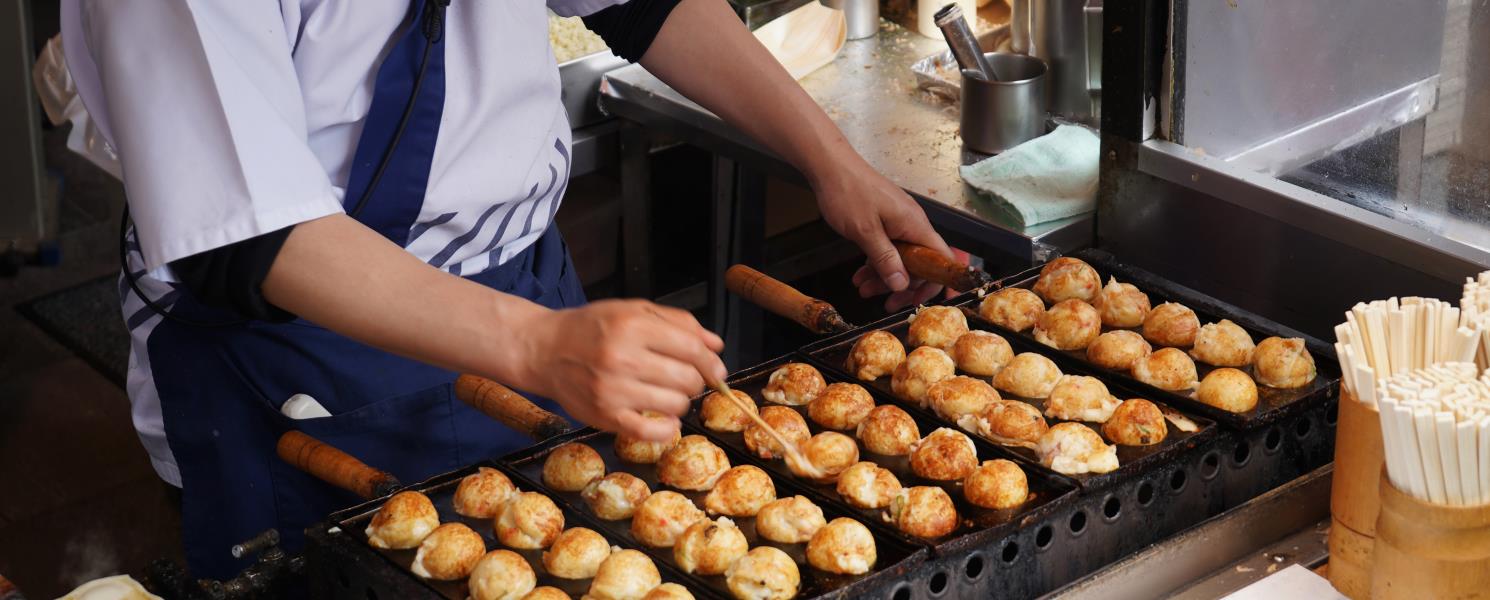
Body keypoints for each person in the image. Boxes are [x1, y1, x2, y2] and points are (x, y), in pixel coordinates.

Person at [62, 0, 950, 578]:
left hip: (523, 294)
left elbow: (642, 4)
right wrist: (534, 345)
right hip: (294, 356)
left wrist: (832, 161)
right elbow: (248, 237)